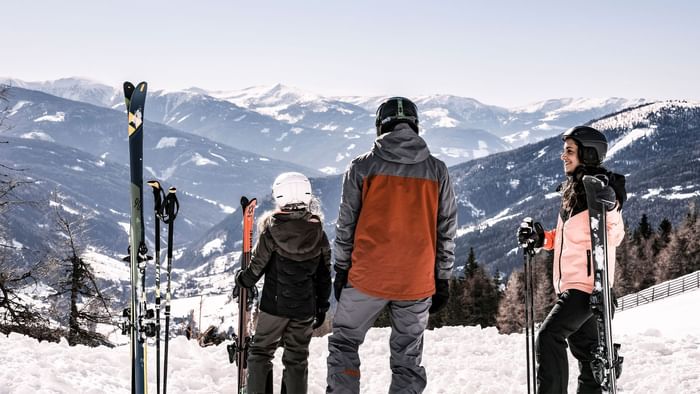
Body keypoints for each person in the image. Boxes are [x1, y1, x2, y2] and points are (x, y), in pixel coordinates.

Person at [326, 97, 458, 393]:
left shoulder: (362, 166)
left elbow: (346, 223)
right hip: (416, 280)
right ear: (415, 125)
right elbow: (446, 228)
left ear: (379, 126)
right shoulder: (437, 170)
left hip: (367, 276)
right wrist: (443, 277)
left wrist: (341, 267)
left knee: (345, 342)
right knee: (407, 359)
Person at [517, 125, 627, 394]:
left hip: (588, 289)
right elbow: (571, 238)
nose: (562, 156)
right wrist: (543, 238)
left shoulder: (600, 189)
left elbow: (615, 234)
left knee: (549, 337)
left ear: (587, 154)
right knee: (590, 359)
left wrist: (610, 206)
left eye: (569, 151)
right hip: (576, 288)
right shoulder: (574, 191)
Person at [234, 172, 332, 394]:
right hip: (305, 308)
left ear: (279, 196)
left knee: (260, 353)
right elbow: (324, 276)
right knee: (297, 358)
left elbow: (255, 270)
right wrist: (321, 307)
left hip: (274, 307)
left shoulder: (271, 232)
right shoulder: (319, 233)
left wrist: (242, 279)